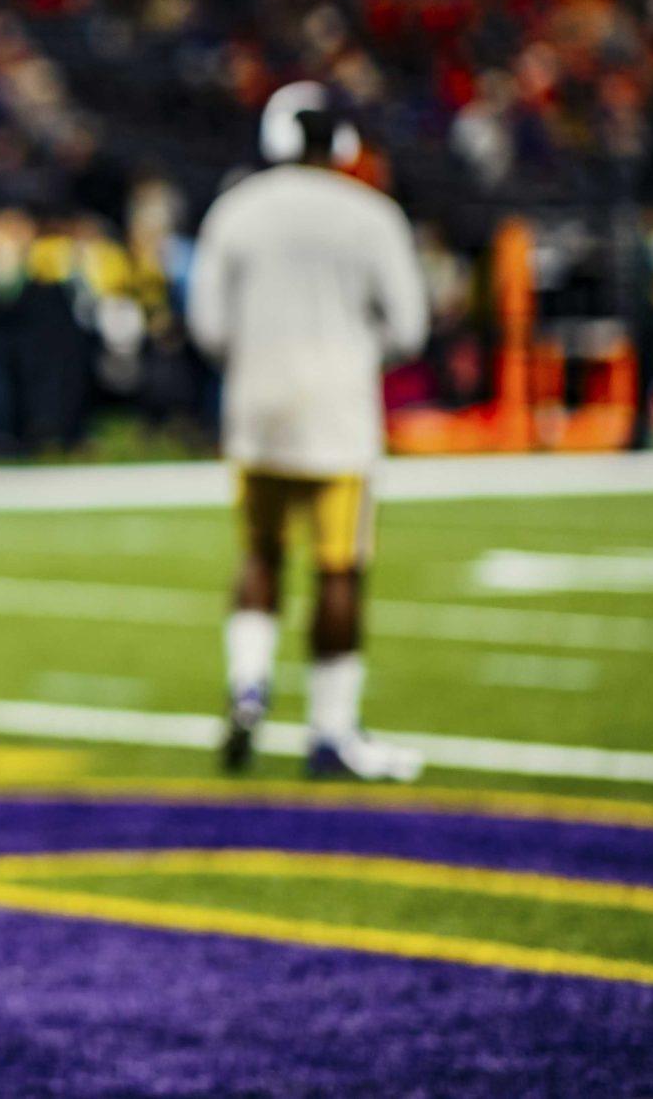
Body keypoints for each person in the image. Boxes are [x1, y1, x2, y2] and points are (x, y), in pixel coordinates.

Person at [188, 82, 429, 782]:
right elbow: (410, 327)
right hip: (338, 411)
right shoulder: (371, 213)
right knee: (338, 568)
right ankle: (330, 729)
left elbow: (207, 324)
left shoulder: (236, 209)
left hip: (255, 409)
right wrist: (354, 349)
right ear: (341, 145)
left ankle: (249, 686)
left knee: (260, 554)